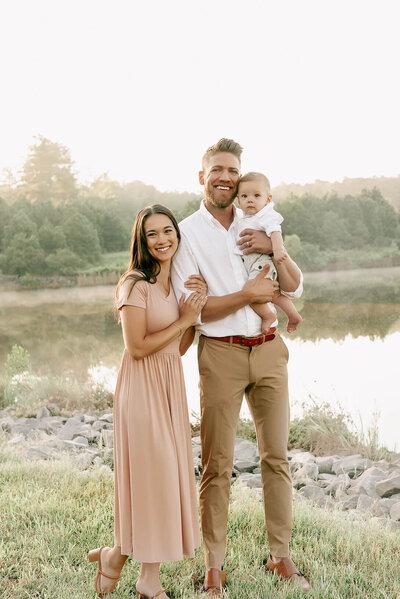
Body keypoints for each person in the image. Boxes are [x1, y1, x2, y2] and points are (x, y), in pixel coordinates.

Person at [171, 139, 311, 594]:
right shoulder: (186, 233)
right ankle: (214, 567)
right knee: (217, 464)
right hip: (221, 355)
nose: (226, 177)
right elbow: (196, 309)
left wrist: (277, 248)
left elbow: (294, 285)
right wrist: (247, 295)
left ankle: (280, 557)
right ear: (202, 176)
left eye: (232, 170)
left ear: (241, 175)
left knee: (277, 457)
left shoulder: (261, 220)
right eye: (217, 169)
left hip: (270, 350)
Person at [89, 204, 206, 599]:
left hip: (170, 385)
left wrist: (196, 311)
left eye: (168, 231)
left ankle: (114, 558)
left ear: (177, 234)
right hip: (140, 389)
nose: (162, 240)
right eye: (152, 233)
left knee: (162, 478)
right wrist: (184, 320)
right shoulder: (134, 285)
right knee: (154, 477)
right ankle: (147, 580)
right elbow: (137, 348)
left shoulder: (175, 285)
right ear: (141, 240)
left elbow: (180, 346)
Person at [235, 171, 302, 334]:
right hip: (256, 263)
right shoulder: (243, 217)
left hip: (261, 263)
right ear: (238, 199)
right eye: (244, 196)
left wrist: (277, 250)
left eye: (256, 195)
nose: (250, 199)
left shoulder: (265, 215)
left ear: (268, 199)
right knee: (274, 294)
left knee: (252, 293)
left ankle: (268, 316)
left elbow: (275, 231)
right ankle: (294, 315)